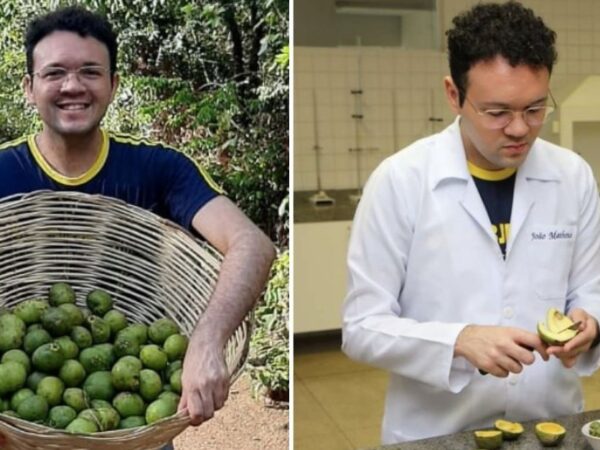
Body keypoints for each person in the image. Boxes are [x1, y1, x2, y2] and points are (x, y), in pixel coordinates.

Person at [0, 5, 275, 449]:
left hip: (132, 434)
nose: (73, 86)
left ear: (114, 85)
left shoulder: (158, 168)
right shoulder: (2, 170)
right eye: (55, 73)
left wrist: (206, 342)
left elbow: (251, 244)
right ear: (29, 88)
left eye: (90, 71)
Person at [342, 1, 600, 444]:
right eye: (497, 113)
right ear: (453, 94)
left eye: (536, 109)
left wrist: (590, 322)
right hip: (437, 432)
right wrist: (458, 340)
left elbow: (591, 287)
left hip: (549, 425)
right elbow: (361, 327)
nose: (519, 129)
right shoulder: (402, 181)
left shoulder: (572, 176)